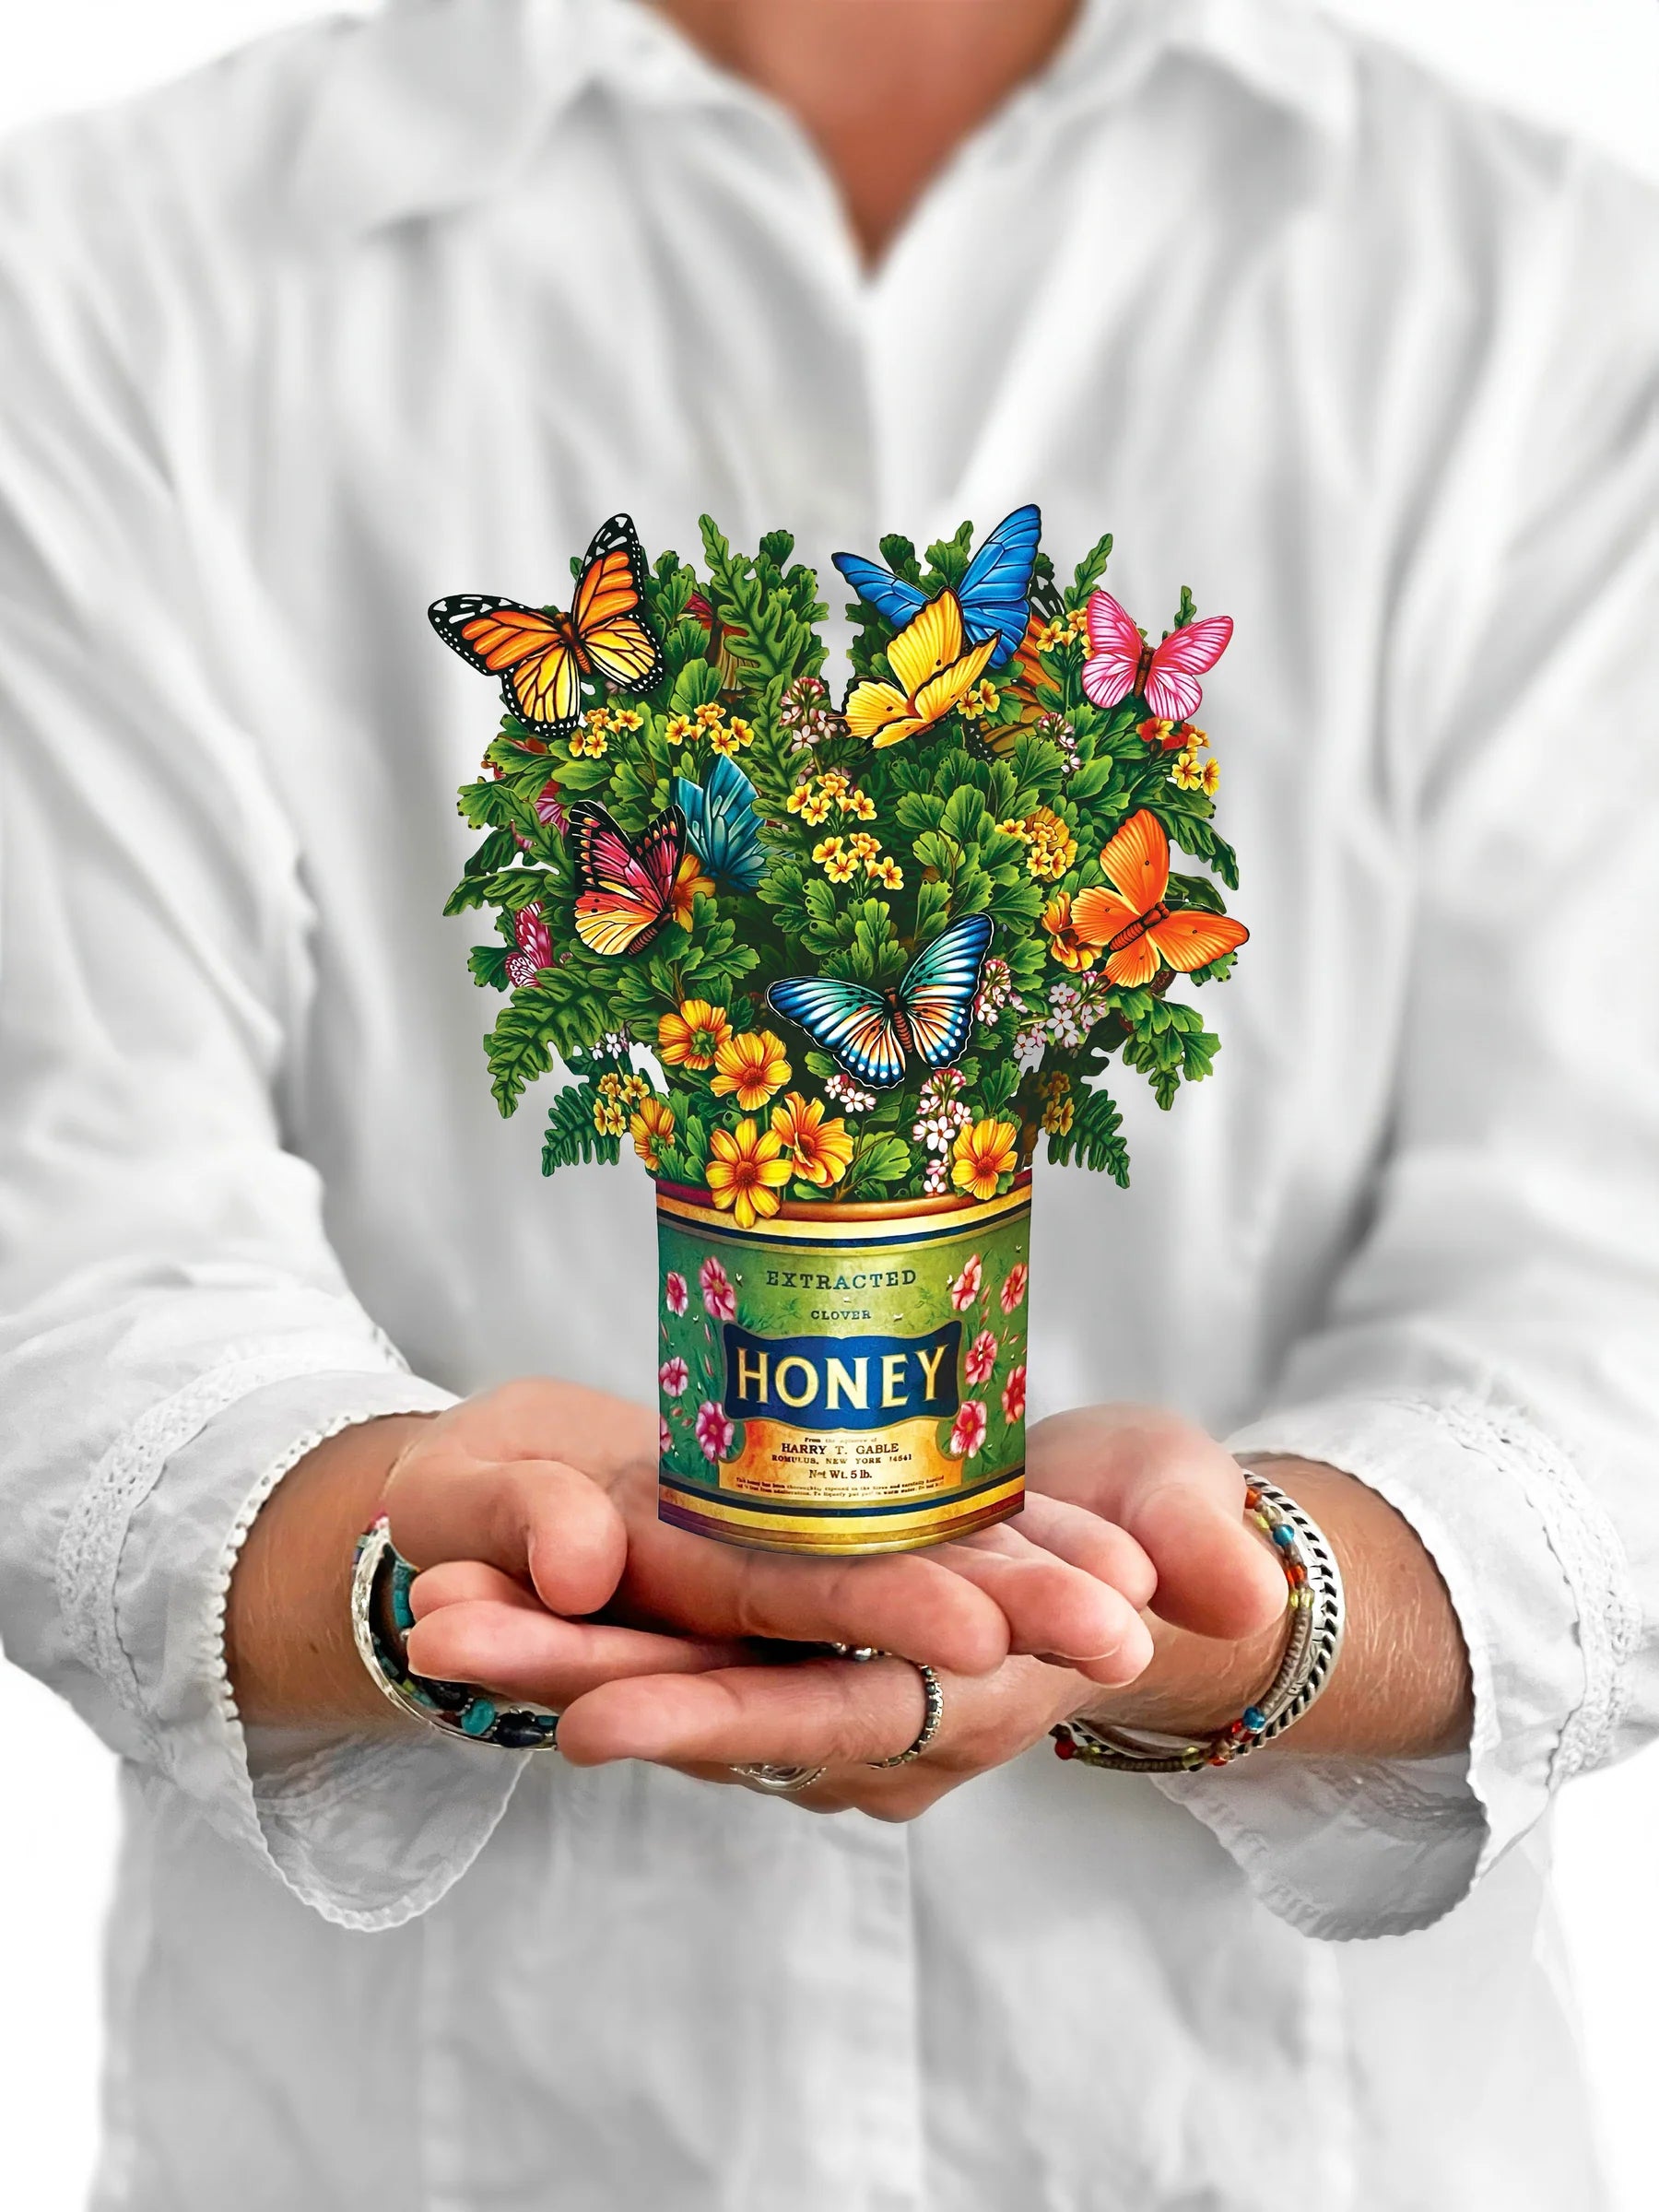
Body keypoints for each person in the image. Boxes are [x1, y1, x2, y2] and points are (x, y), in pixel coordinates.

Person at [0, 0, 1655, 2204]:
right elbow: (63, 1228)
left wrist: (1265, 1616)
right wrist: (400, 1567)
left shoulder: (1547, 285)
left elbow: (1611, 1262)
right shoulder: (108, 261)